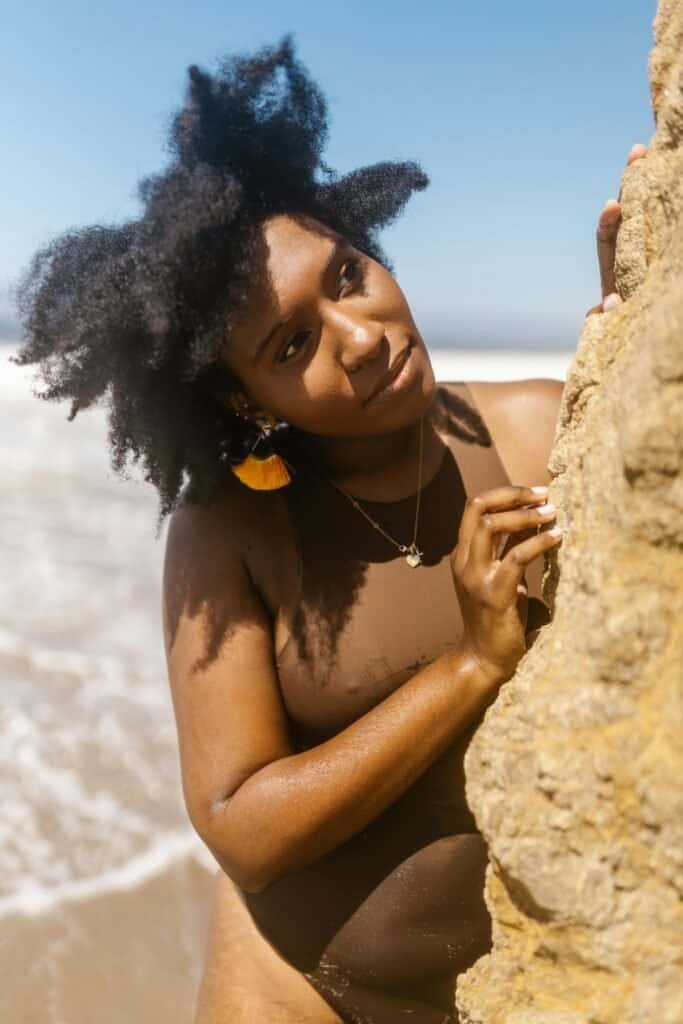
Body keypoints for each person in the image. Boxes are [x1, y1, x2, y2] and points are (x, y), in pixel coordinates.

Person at [11, 35, 647, 1024]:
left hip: (513, 988)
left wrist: (638, 329)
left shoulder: (530, 426)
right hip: (292, 993)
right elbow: (240, 827)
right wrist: (468, 666)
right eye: (292, 343)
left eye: (348, 276)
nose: (359, 340)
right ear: (241, 399)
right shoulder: (228, 533)